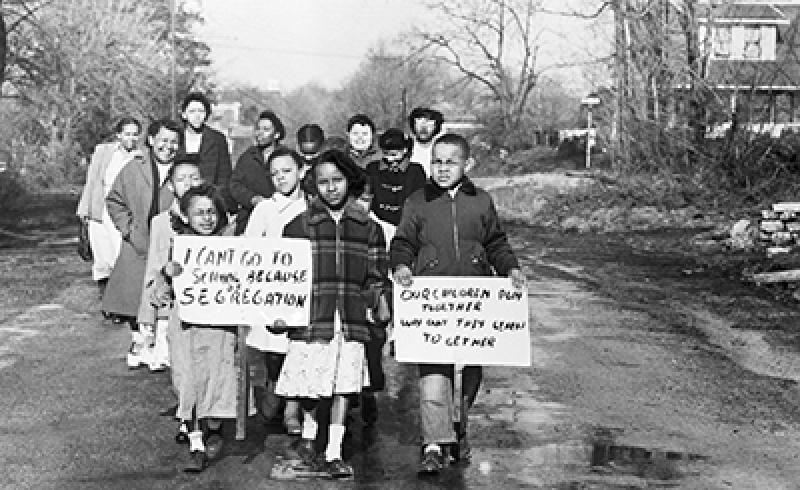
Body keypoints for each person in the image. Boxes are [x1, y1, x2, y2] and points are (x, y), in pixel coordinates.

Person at [390, 133, 526, 474]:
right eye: (436, 161)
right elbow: (403, 241)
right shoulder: (417, 201)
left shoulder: (481, 201)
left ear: (467, 165)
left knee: (469, 372)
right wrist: (402, 266)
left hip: (474, 305)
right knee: (433, 372)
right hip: (432, 305)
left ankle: (458, 425)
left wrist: (510, 269)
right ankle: (434, 443)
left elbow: (496, 242)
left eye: (451, 161)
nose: (442, 168)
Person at [274, 149, 391, 479]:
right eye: (323, 182)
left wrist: (378, 303)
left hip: (350, 321)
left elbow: (375, 276)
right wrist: (280, 316)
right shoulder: (298, 226)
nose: (331, 188)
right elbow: (284, 279)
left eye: (337, 181)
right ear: (313, 185)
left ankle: (334, 450)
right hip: (314, 318)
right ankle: (309, 442)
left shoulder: (368, 228)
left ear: (350, 182)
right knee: (312, 385)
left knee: (343, 386)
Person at [158, 183, 239, 472]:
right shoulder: (179, 247)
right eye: (199, 213)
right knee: (189, 378)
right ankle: (195, 440)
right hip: (186, 325)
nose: (206, 219)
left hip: (219, 326)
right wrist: (168, 275)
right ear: (186, 217)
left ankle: (214, 425)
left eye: (211, 212)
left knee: (218, 375)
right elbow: (161, 292)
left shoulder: (230, 247)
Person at [104, 118, 181, 368]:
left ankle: (163, 347)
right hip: (138, 242)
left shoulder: (184, 171)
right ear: (151, 141)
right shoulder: (133, 168)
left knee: (165, 292)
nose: (168, 147)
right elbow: (114, 200)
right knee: (134, 295)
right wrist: (129, 229)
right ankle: (140, 342)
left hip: (170, 243)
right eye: (163, 141)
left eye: (173, 142)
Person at [244, 147, 307, 435]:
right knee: (273, 350)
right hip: (270, 288)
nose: (281, 178)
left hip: (300, 290)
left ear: (301, 171)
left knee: (297, 348)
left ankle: (292, 408)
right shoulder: (264, 209)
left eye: (287, 171)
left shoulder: (310, 207)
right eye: (275, 174)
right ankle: (274, 387)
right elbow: (250, 248)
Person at [138, 158, 204, 377]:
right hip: (171, 308)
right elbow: (153, 269)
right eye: (181, 179)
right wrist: (148, 317)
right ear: (170, 185)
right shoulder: (160, 223)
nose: (189, 184)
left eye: (194, 178)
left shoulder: (214, 219)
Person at [76, 117, 142, 301]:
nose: (131, 138)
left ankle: (119, 298)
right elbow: (92, 181)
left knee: (118, 252)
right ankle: (105, 296)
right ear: (119, 135)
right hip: (100, 206)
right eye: (127, 134)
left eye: (135, 134)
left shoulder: (140, 157)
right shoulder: (104, 152)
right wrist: (84, 211)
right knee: (101, 253)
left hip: (122, 209)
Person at [229, 110, 285, 234]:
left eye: (266, 129)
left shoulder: (286, 157)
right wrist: (251, 199)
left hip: (281, 217)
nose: (260, 133)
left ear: (276, 134)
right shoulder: (247, 157)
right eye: (258, 129)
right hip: (250, 217)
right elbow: (235, 185)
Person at [178, 92, 235, 211]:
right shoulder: (176, 137)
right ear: (184, 114)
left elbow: (224, 175)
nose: (197, 116)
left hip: (209, 200)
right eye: (192, 111)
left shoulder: (217, 139)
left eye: (201, 111)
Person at [365, 128, 427, 227]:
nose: (390, 159)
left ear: (405, 150)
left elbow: (419, 201)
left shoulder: (415, 171)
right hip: (378, 223)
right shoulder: (373, 169)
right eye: (385, 154)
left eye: (394, 154)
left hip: (407, 224)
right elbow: (367, 196)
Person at [408, 107, 444, 179]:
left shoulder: (442, 148)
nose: (424, 128)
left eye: (429, 124)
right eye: (419, 123)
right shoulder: (406, 147)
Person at [295, 124, 325, 196]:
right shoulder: (290, 164)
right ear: (297, 147)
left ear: (323, 147)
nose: (308, 158)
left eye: (313, 153)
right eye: (304, 153)